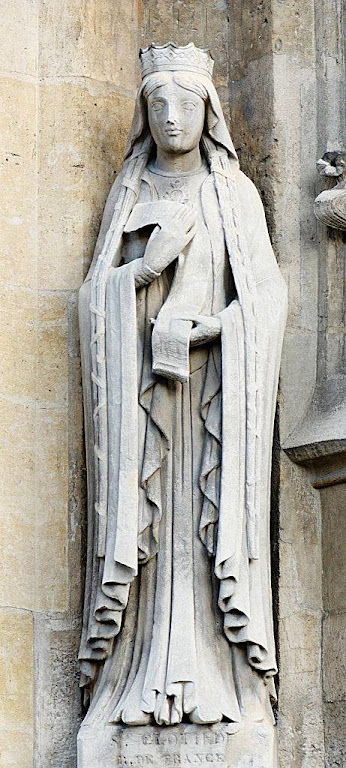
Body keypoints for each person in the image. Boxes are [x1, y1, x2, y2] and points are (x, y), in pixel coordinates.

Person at [78, 42, 287, 728]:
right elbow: (91, 300)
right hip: (142, 406)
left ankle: (218, 685)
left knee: (204, 536)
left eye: (185, 104)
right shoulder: (130, 192)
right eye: (157, 104)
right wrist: (141, 276)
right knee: (152, 536)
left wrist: (218, 331)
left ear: (208, 112)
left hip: (212, 405)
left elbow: (266, 299)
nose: (171, 118)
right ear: (144, 113)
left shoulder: (232, 194)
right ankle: (137, 681)